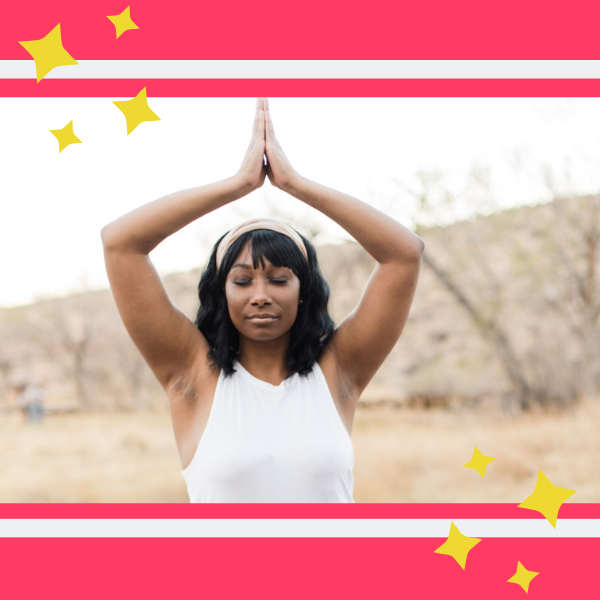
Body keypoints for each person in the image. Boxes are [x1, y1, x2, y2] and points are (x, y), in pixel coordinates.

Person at [101, 98, 425, 502]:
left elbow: (404, 254)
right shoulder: (193, 379)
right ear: (222, 293)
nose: (260, 296)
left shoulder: (338, 373)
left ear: (303, 290)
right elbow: (121, 244)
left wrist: (294, 183)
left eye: (278, 279)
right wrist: (237, 184)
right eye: (241, 281)